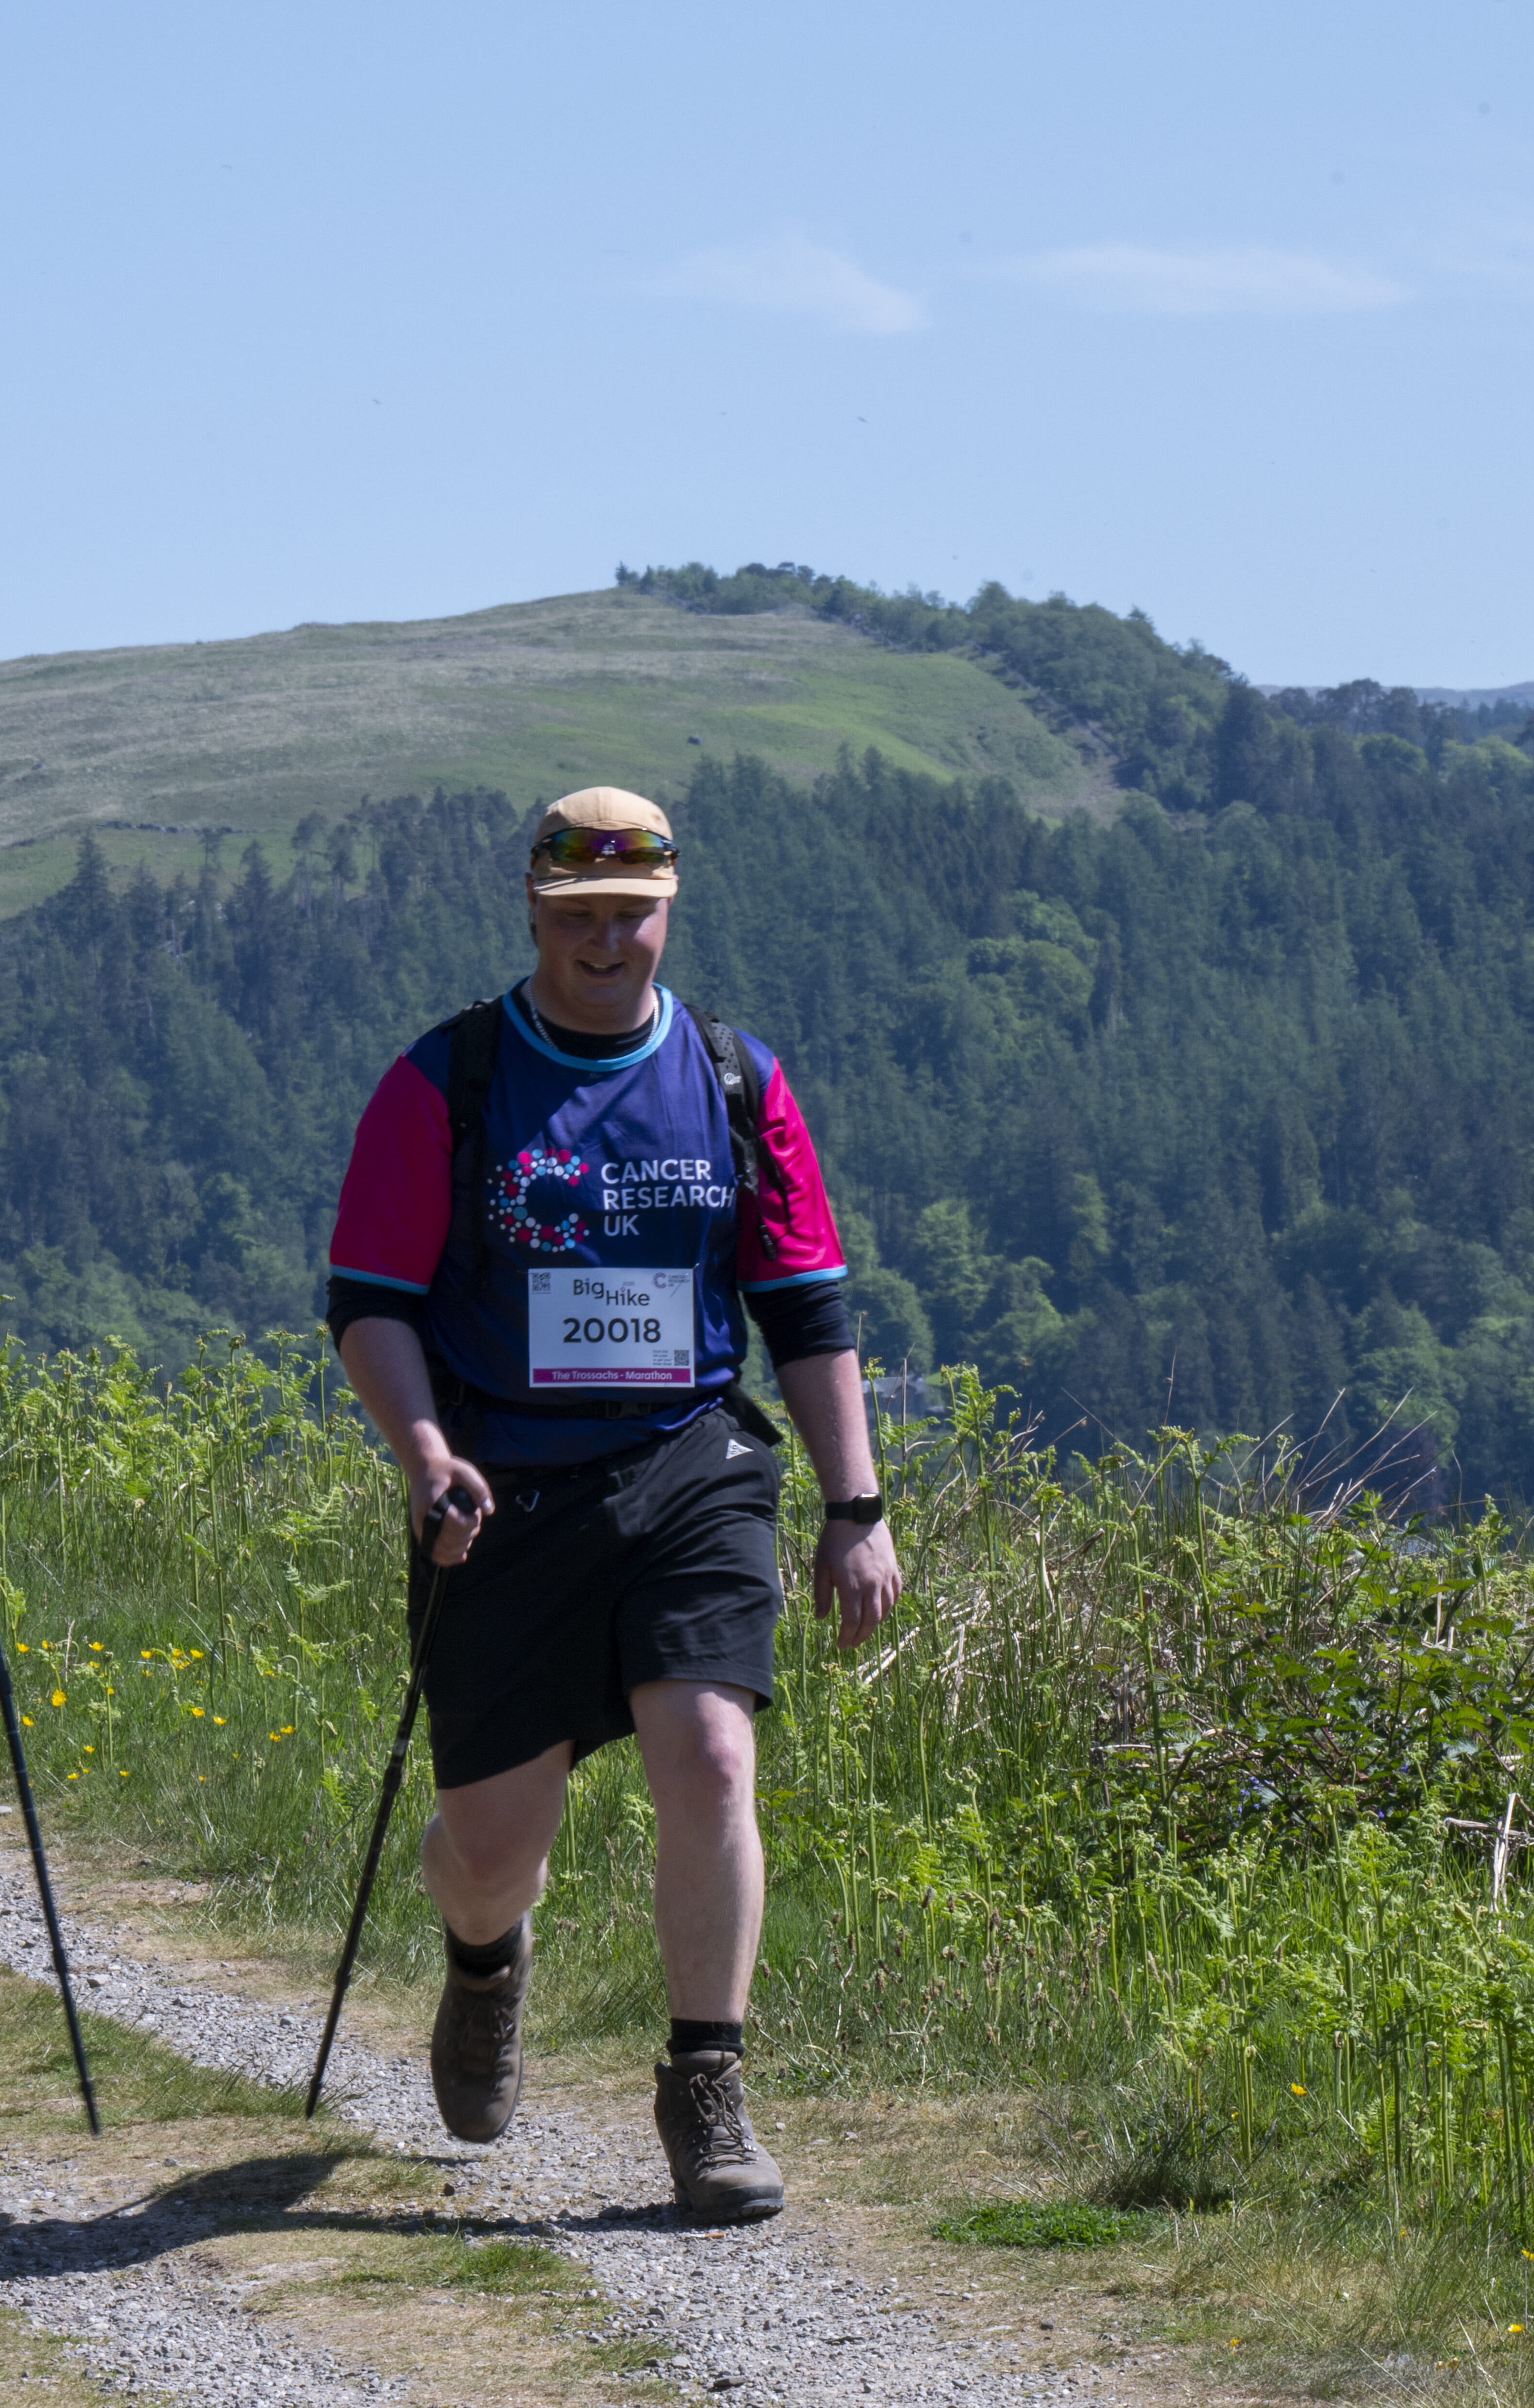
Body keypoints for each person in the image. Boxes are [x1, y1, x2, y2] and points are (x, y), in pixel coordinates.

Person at [322, 785, 899, 2223]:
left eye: (631, 915)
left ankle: (707, 2087)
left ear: (671, 909)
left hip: (690, 1462)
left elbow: (806, 1303)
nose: (606, 942)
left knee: (708, 1754)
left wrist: (855, 1502)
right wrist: (425, 1453)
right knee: (491, 1851)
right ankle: (481, 1957)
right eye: (578, 917)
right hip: (501, 1498)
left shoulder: (734, 1077)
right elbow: (371, 1304)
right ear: (533, 909)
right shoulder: (446, 1079)